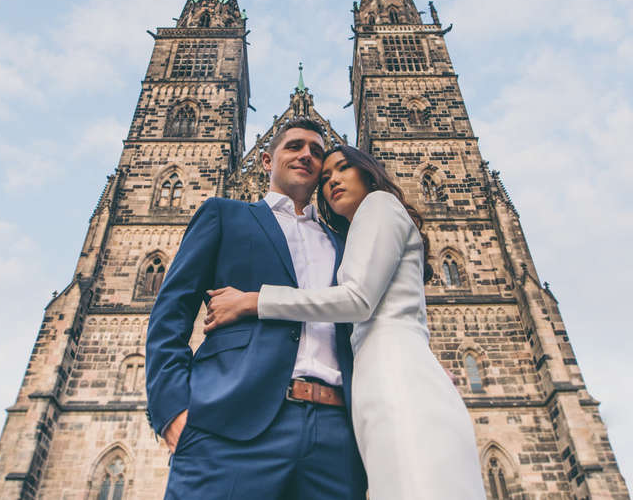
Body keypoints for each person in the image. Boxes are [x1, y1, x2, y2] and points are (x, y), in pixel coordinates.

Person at [205, 144, 487, 500]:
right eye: (325, 178)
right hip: (375, 384)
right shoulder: (356, 232)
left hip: (396, 379)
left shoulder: (379, 205)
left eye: (343, 168)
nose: (332, 181)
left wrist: (255, 300)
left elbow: (357, 300)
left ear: (367, 171)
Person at [144, 118, 366, 500]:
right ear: (266, 159)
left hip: (336, 435)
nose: (306, 155)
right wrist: (172, 411)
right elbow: (171, 312)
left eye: (316, 151)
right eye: (294, 146)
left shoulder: (345, 241)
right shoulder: (224, 214)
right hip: (232, 428)